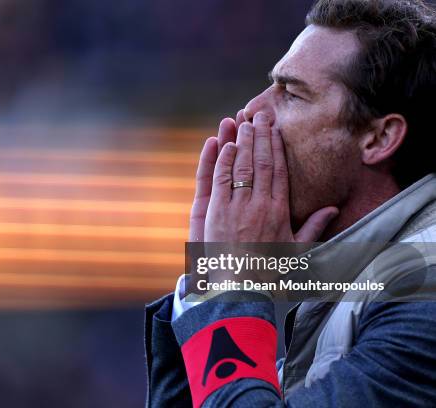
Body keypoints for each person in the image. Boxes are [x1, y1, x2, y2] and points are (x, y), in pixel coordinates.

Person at [145, 0, 436, 406]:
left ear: (379, 138)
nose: (253, 110)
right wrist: (207, 281)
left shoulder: (422, 291)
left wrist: (233, 283)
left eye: (292, 94)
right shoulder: (358, 274)